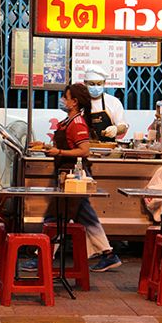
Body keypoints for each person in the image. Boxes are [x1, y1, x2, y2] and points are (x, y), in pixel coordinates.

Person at [22, 83, 121, 273]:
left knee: (56, 215)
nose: (62, 100)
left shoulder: (77, 123)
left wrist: (57, 151)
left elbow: (84, 150)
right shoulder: (68, 121)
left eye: (65, 98)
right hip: (66, 175)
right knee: (78, 214)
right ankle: (108, 254)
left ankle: (42, 256)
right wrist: (44, 146)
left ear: (74, 102)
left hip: (73, 176)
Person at [83, 65, 129, 141]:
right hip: (84, 147)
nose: (95, 87)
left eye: (99, 84)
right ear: (85, 83)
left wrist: (115, 129)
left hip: (107, 147)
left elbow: (123, 127)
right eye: (91, 84)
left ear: (104, 83)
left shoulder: (113, 102)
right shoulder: (80, 101)